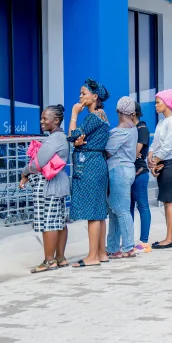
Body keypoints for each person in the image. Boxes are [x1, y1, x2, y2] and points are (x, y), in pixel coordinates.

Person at [19, 105, 69, 273]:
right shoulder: (60, 137)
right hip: (57, 184)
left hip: (49, 186)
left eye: (45, 118)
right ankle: (60, 258)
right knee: (59, 222)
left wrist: (24, 172)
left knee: (49, 223)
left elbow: (38, 163)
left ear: (56, 120)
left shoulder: (54, 139)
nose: (41, 121)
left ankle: (49, 261)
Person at [67, 79, 110, 268]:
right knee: (99, 212)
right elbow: (76, 138)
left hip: (90, 165)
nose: (80, 96)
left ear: (94, 96)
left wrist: (74, 114)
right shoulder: (102, 115)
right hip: (98, 164)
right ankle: (101, 253)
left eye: (83, 93)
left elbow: (72, 135)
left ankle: (92, 256)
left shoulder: (93, 117)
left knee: (93, 213)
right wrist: (77, 140)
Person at [105, 97, 140, 259]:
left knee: (121, 210)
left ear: (118, 111)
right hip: (128, 170)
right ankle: (112, 247)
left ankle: (128, 247)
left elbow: (107, 152)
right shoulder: (133, 128)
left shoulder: (120, 131)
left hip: (118, 170)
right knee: (115, 210)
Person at [148, 89, 172, 249]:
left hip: (170, 163)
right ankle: (169, 236)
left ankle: (170, 238)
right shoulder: (162, 122)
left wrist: (155, 161)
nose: (155, 105)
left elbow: (168, 146)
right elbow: (156, 144)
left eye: (158, 102)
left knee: (170, 201)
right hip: (162, 162)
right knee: (166, 200)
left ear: (167, 103)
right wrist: (151, 155)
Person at [129, 102, 152, 253]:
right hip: (129, 173)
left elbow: (134, 153)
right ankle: (129, 241)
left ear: (133, 113)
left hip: (139, 172)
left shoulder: (142, 128)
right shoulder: (130, 129)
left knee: (142, 206)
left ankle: (144, 242)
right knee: (128, 207)